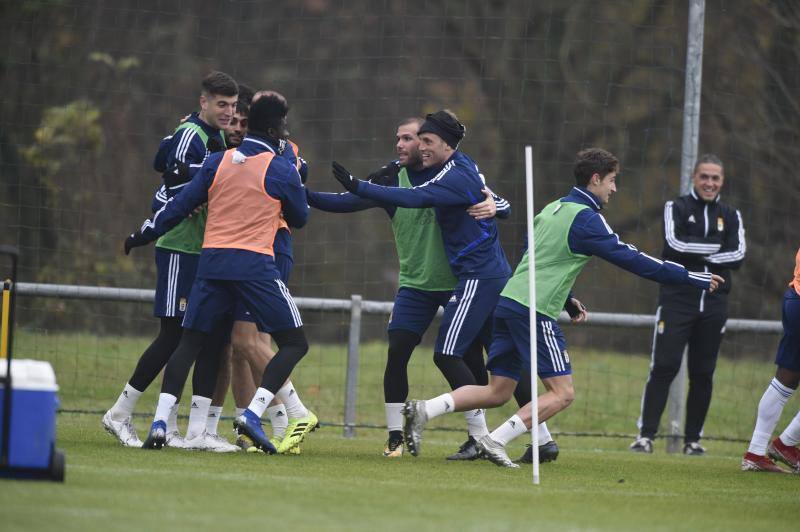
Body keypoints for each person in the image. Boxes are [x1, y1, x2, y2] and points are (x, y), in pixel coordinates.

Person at [400, 148, 723, 467]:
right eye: (611, 180)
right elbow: (634, 259)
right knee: (563, 393)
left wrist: (566, 297)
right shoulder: (587, 219)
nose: (614, 188)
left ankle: (424, 409)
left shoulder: (555, 207)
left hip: (510, 301)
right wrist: (690, 276)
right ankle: (494, 441)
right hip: (534, 309)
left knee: (498, 391)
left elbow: (534, 251)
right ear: (595, 179)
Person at [311, 117, 559, 460]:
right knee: (400, 350)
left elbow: (484, 198)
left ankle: (514, 437)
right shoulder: (390, 176)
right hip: (417, 284)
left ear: (434, 143)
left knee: (484, 356)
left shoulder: (454, 171)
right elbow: (345, 201)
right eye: (400, 138)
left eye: (413, 139)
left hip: (467, 281)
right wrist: (301, 193)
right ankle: (399, 435)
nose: (402, 145)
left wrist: (498, 206)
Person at [124, 92, 315, 455]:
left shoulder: (216, 161)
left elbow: (179, 205)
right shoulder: (279, 167)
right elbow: (300, 218)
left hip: (211, 264)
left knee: (190, 341)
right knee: (294, 343)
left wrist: (142, 235)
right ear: (275, 129)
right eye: (284, 126)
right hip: (254, 266)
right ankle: (253, 415)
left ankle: (161, 421)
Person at [102, 71, 239, 450]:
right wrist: (213, 179)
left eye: (232, 105)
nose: (228, 112)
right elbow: (174, 181)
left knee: (202, 338)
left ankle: (186, 430)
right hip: (179, 247)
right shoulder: (192, 135)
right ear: (204, 102)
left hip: (204, 250)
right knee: (173, 335)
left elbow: (163, 161)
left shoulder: (214, 138)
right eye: (221, 104)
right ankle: (119, 413)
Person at [632, 154, 746, 455]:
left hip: (714, 305)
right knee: (664, 366)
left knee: (703, 372)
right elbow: (674, 245)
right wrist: (714, 250)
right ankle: (645, 437)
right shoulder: (676, 207)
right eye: (704, 177)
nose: (709, 183)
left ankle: (693, 441)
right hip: (677, 299)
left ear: (722, 181)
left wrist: (698, 253)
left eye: (715, 178)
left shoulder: (731, 215)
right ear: (694, 178)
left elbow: (739, 255)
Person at [741, 247, 800, 473]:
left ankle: (757, 452)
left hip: (795, 298)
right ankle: (784, 445)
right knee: (785, 380)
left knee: (786, 379)